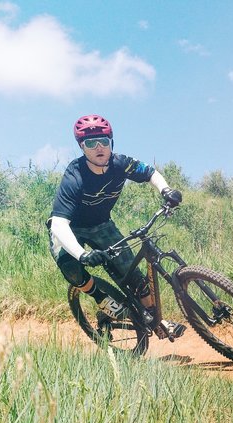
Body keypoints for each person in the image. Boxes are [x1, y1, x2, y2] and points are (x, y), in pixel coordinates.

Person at [48, 114, 185, 340]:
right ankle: (101, 298)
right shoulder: (75, 176)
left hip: (101, 225)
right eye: (91, 143)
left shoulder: (121, 164)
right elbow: (59, 223)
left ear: (112, 141)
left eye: (104, 141)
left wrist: (166, 190)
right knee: (69, 266)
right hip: (72, 229)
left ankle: (157, 322)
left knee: (136, 278)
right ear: (82, 147)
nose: (99, 147)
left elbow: (150, 172)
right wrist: (82, 255)